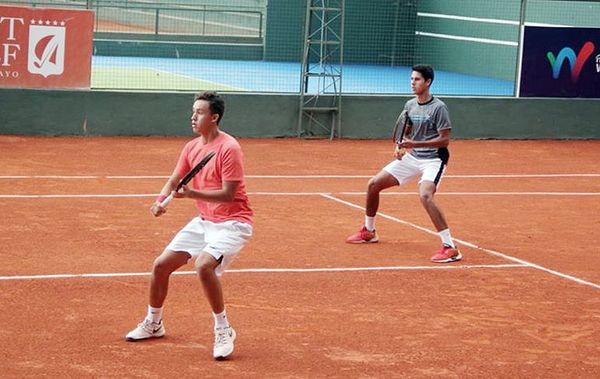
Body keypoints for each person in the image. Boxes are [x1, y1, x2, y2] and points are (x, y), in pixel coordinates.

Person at [125, 91, 253, 360]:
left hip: (233, 222)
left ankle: (223, 329)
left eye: (200, 112)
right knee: (161, 265)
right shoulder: (192, 147)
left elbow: (229, 194)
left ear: (214, 117)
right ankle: (154, 323)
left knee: (204, 265)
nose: (193, 116)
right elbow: (174, 179)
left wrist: (193, 195)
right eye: (193, 111)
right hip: (205, 221)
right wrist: (161, 200)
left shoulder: (229, 148)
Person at [346, 64, 462, 263]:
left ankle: (450, 247)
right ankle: (369, 231)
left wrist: (413, 143)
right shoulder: (410, 105)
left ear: (428, 82)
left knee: (426, 196)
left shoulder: (439, 108)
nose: (412, 83)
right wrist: (400, 147)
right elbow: (407, 131)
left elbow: (444, 140)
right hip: (413, 157)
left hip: (433, 160)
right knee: (373, 184)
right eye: (411, 79)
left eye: (417, 79)